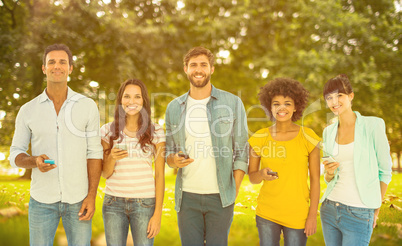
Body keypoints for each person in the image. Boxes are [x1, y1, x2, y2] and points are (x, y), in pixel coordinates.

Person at [9, 44, 103, 246]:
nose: (57, 66)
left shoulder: (87, 106)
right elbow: (16, 153)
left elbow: (94, 153)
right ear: (44, 68)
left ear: (70, 68)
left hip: (78, 199)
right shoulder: (28, 110)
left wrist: (91, 196)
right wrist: (34, 161)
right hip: (42, 201)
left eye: (63, 62)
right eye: (51, 62)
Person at [165, 46, 248, 246]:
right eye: (193, 65)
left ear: (212, 69)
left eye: (203, 64)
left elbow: (242, 150)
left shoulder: (233, 102)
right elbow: (167, 153)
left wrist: (233, 189)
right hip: (187, 198)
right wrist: (173, 160)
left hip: (220, 197)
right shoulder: (174, 108)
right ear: (185, 69)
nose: (198, 69)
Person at [320, 74, 392, 246]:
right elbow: (328, 178)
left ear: (351, 96)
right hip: (330, 209)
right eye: (329, 98)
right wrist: (329, 173)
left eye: (339, 95)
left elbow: (385, 171)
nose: (334, 101)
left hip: (359, 212)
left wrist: (375, 209)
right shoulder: (328, 132)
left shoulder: (373, 125)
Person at [248, 78, 321, 246]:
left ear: (296, 107)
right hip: (267, 213)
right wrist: (261, 174)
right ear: (270, 107)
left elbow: (316, 180)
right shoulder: (259, 137)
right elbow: (252, 177)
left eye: (287, 103)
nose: (282, 108)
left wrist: (312, 216)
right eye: (276, 104)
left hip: (298, 214)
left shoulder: (308, 136)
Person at [100, 79, 165, 246]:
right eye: (127, 96)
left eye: (137, 97)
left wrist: (157, 214)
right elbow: (105, 173)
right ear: (120, 100)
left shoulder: (156, 131)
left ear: (144, 101)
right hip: (113, 203)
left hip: (144, 203)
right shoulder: (107, 131)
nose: (132, 101)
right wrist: (112, 157)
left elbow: (159, 174)